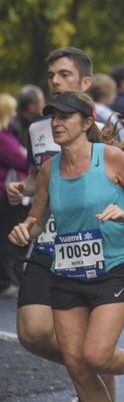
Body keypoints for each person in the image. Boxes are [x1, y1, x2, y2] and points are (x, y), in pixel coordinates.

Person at [8, 91, 124, 402]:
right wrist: (24, 230)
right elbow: (37, 220)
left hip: (114, 266)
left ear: (87, 121)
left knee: (95, 355)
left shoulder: (109, 157)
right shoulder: (50, 169)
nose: (56, 123)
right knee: (76, 364)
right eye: (53, 117)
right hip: (66, 271)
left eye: (65, 117)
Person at [6, 47, 117, 399]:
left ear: (85, 81)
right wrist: (20, 188)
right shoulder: (39, 127)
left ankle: (101, 369)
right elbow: (36, 177)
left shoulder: (106, 125)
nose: (55, 80)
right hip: (48, 240)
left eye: (64, 74)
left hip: (94, 245)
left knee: (86, 351)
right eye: (52, 74)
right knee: (32, 332)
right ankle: (92, 362)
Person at [0, 93, 29, 298]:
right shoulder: (3, 137)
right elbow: (23, 160)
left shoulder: (8, 134)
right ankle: (5, 281)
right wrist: (25, 153)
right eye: (13, 110)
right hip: (3, 195)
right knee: (6, 239)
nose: (16, 114)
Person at [11, 84, 45, 150]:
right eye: (42, 103)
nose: (44, 106)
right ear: (31, 107)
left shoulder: (37, 122)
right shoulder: (13, 126)